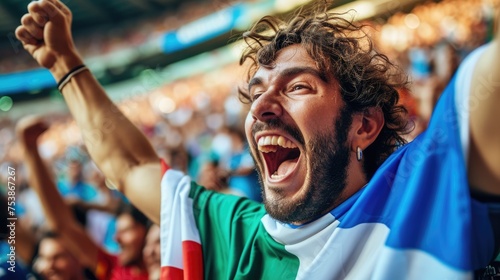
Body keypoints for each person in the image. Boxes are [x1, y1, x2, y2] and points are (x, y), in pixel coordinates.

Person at [15, 0, 500, 279]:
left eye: (297, 86)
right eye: (256, 93)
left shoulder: (421, 191)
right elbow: (128, 167)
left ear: (364, 126)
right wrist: (65, 67)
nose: (262, 107)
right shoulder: (236, 235)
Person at [16, 118, 149, 280]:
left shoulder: (173, 270)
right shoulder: (113, 270)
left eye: (127, 230)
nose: (117, 238)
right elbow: (62, 224)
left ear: (149, 232)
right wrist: (31, 150)